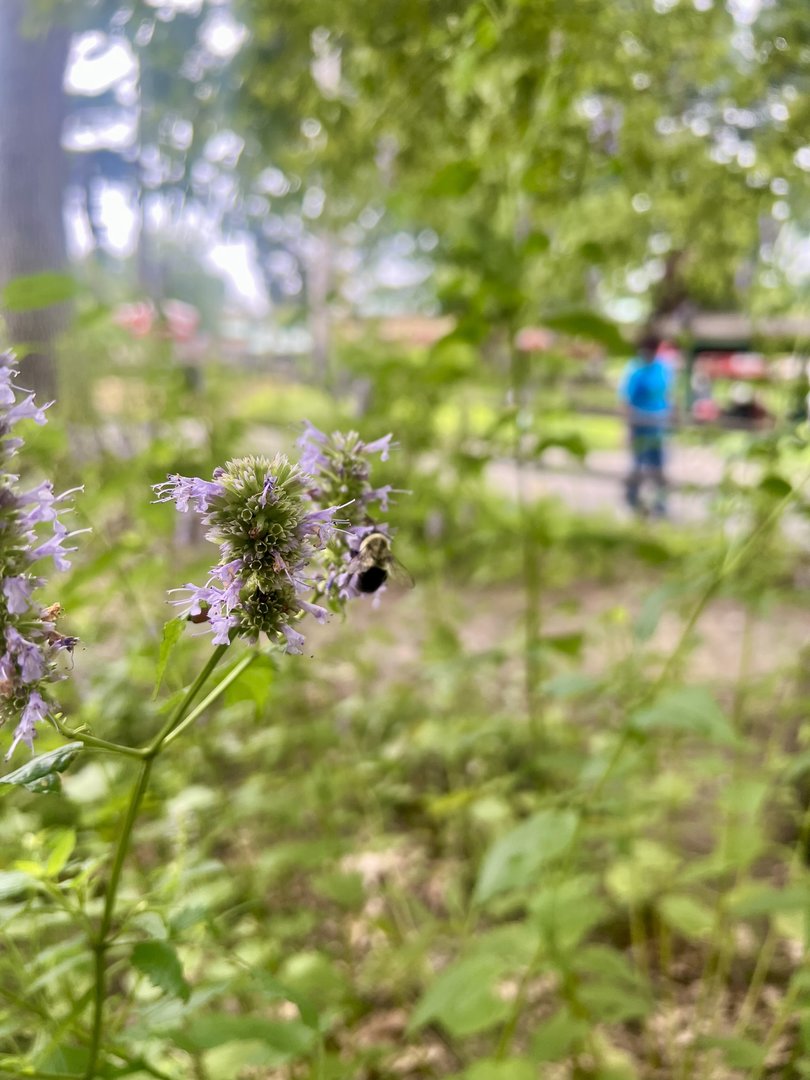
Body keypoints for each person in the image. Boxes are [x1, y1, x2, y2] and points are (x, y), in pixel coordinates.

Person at [618, 334, 674, 516]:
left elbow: (667, 395)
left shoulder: (662, 368)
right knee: (638, 465)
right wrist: (626, 427)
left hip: (658, 424)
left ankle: (660, 504)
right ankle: (633, 501)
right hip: (639, 423)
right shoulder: (635, 368)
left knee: (658, 465)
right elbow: (626, 399)